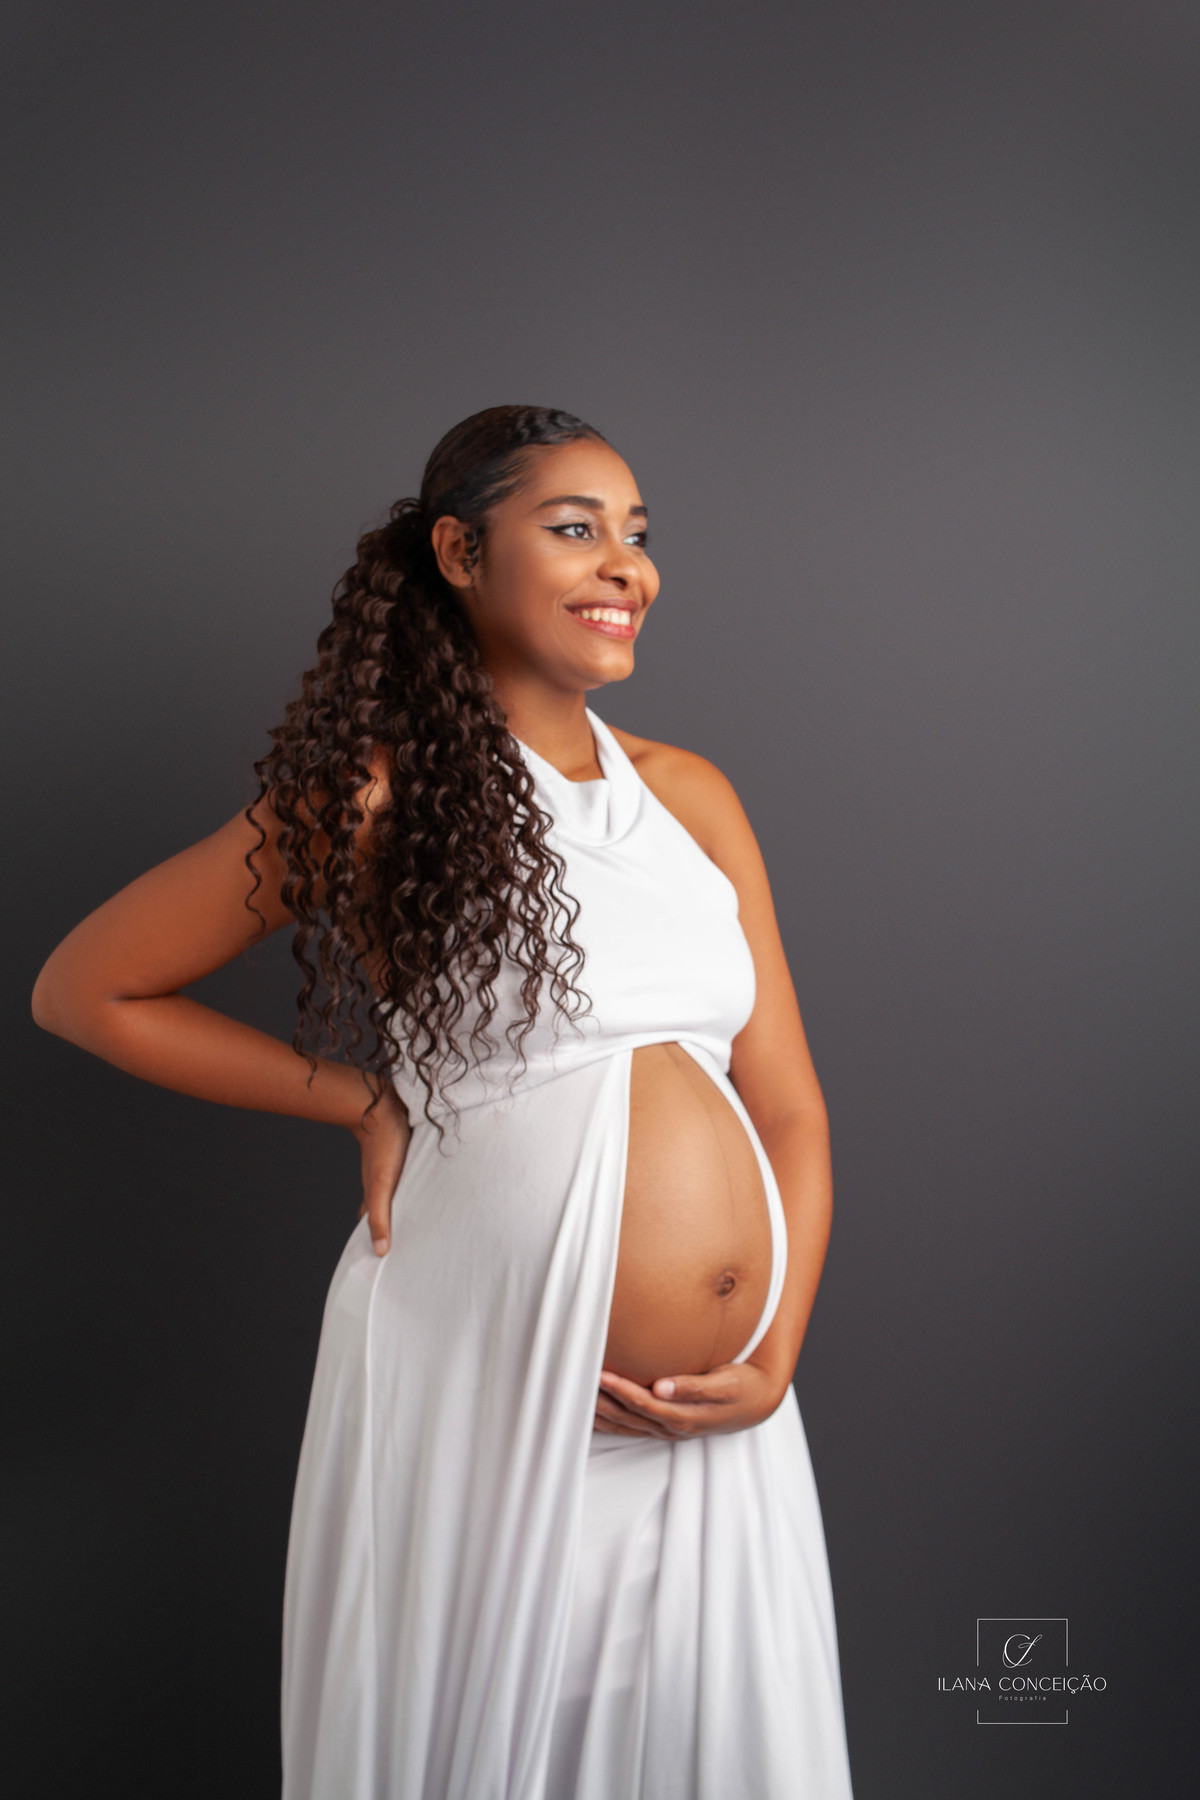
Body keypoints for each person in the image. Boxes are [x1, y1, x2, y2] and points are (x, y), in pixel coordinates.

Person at [32, 405, 854, 1798]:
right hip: (480, 1389)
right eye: (575, 528)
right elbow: (86, 987)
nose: (625, 566)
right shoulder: (378, 800)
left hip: (719, 1426)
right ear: (461, 550)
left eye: (639, 535)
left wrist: (775, 1359)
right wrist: (360, 1100)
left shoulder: (692, 796)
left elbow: (791, 1114)